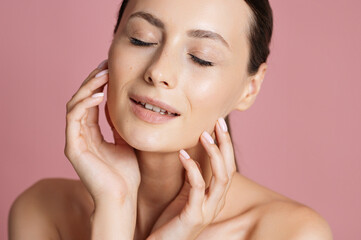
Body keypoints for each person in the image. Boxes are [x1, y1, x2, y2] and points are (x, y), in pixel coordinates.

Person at [8, 0, 333, 239]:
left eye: (201, 58)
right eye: (141, 39)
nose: (159, 72)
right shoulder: (42, 212)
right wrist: (114, 209)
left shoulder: (290, 233)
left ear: (250, 88)